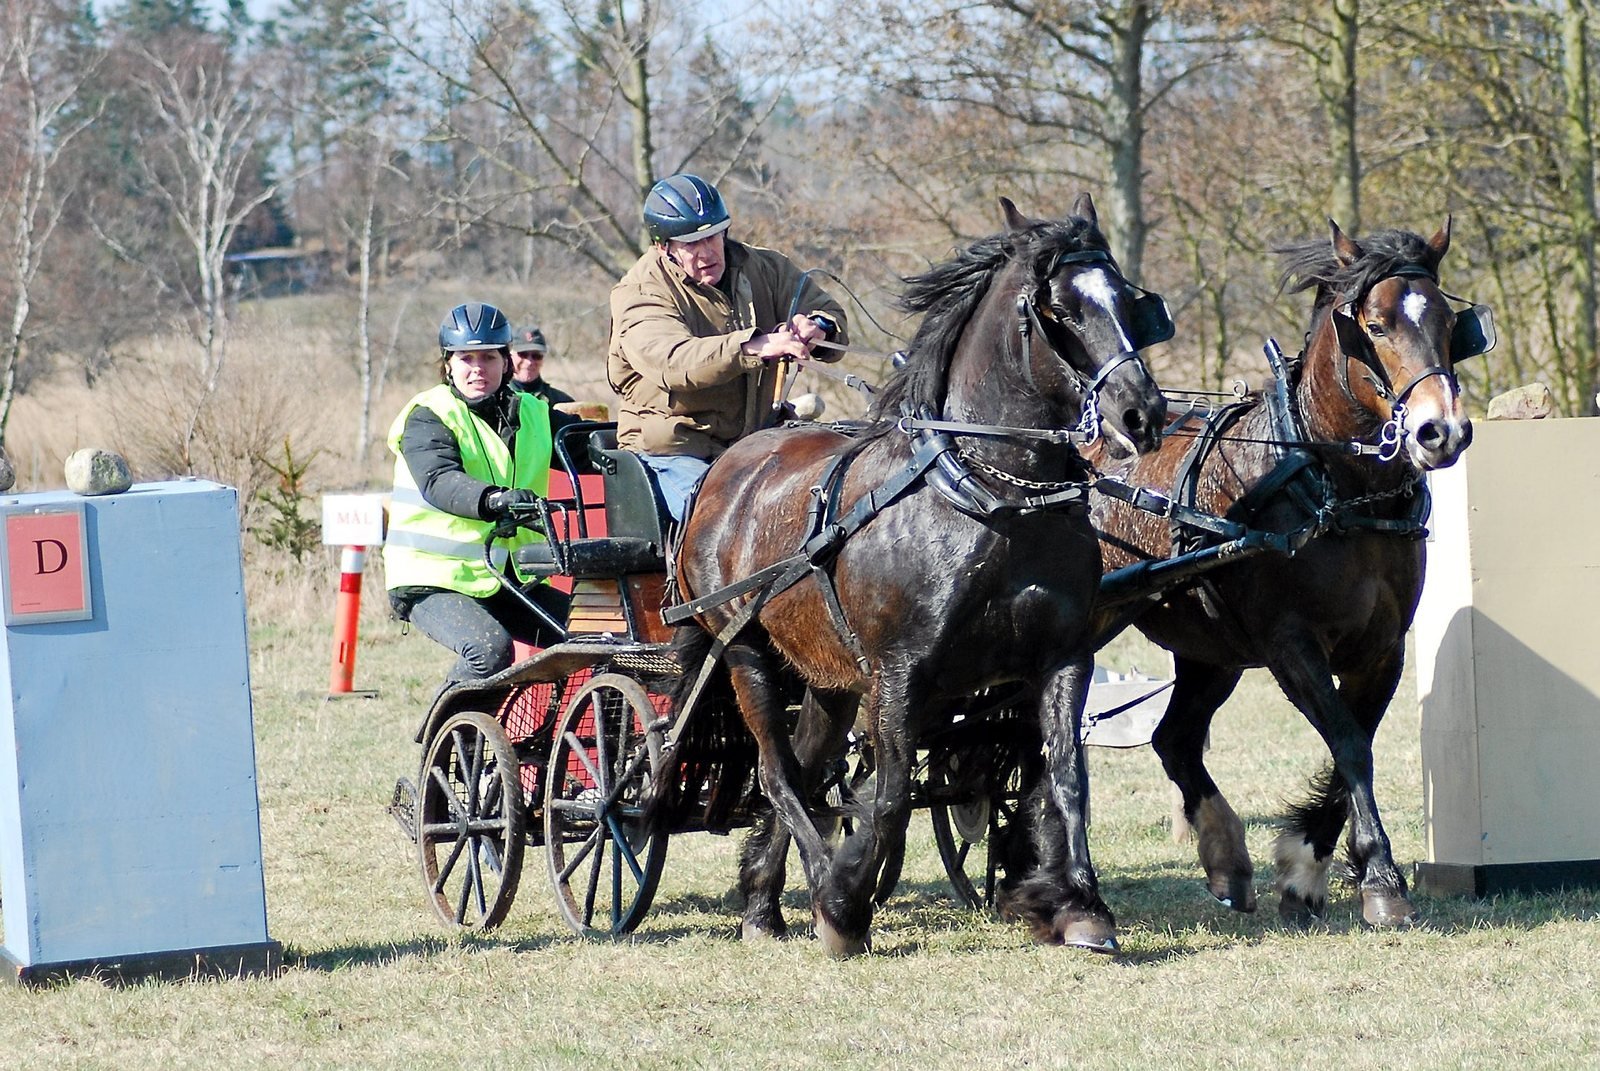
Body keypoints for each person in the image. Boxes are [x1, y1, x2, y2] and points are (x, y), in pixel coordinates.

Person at [607, 172, 848, 522]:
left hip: (755, 444)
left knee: (827, 502)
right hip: (672, 454)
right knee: (728, 523)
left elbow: (830, 312)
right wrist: (753, 346)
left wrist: (818, 326)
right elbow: (672, 361)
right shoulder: (640, 293)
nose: (707, 252)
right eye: (691, 244)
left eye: (713, 236)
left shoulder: (765, 268)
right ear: (665, 247)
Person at [384, 300, 581, 688]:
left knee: (589, 636)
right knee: (489, 651)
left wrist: (645, 441)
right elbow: (440, 480)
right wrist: (494, 499)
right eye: (466, 358)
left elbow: (586, 447)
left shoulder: (533, 412)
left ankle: (541, 740)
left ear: (505, 362)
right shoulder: (428, 415)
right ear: (448, 365)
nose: (478, 368)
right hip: (431, 578)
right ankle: (439, 737)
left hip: (501, 578)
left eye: (488, 357)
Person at [510, 323, 576, 406]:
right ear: (510, 356)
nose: (529, 362)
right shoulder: (497, 400)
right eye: (523, 354)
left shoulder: (561, 402)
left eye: (536, 356)